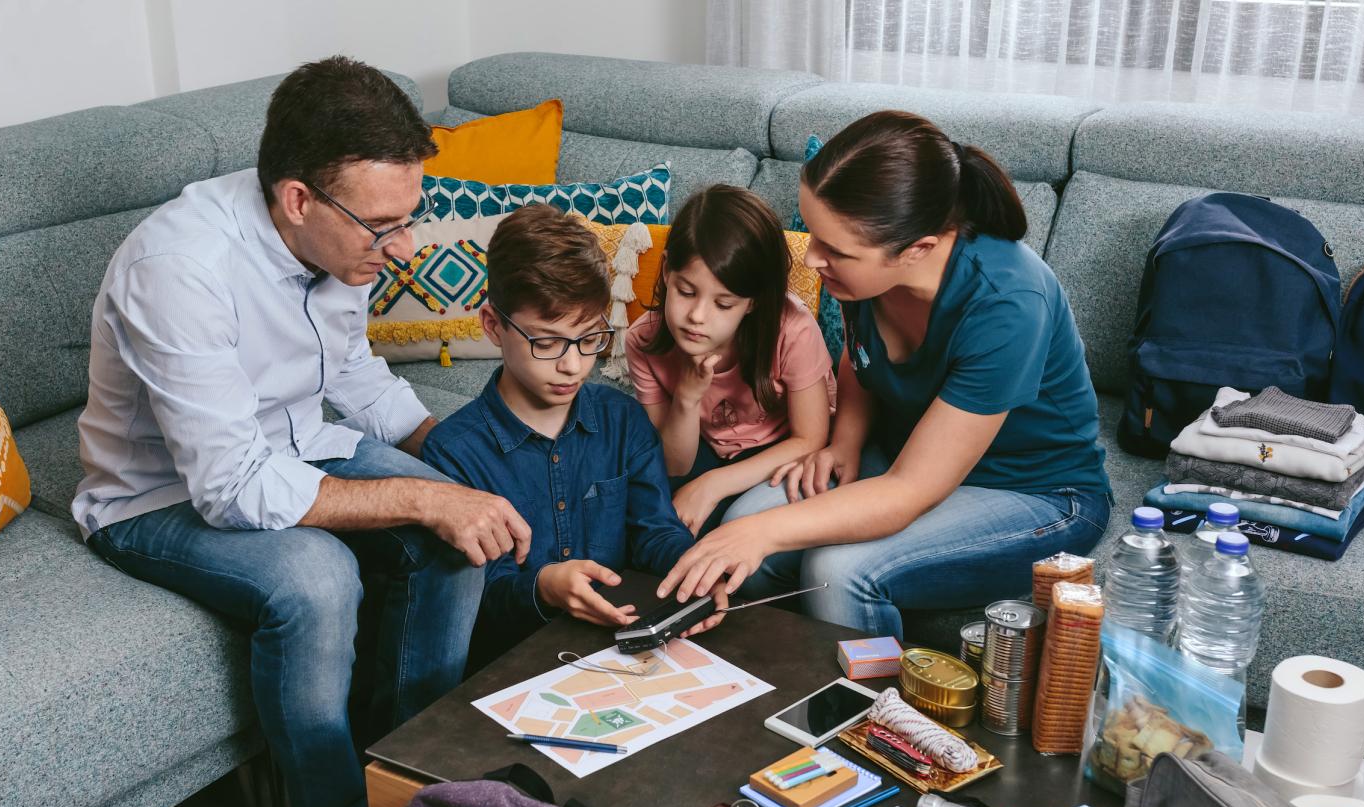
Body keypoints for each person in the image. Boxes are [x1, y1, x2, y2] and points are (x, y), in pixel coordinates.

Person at [71, 57, 530, 807]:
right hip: (156, 498)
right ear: (297, 200)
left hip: (295, 444)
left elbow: (351, 372)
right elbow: (231, 485)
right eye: (383, 226)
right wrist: (427, 500)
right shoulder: (179, 269)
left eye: (409, 218)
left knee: (458, 534)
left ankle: (408, 788)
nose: (402, 247)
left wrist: (461, 469)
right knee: (319, 579)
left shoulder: (340, 243)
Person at [658, 110, 1111, 639]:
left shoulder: (1008, 303)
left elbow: (909, 490)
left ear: (917, 249)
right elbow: (860, 358)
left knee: (837, 572)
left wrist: (763, 533)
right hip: (903, 456)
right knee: (742, 522)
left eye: (834, 250)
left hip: (1038, 494)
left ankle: (866, 695)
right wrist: (845, 441)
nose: (813, 261)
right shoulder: (860, 276)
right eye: (815, 237)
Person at [422, 204, 726, 666]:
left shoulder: (623, 420)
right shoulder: (451, 453)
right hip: (509, 666)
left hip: (617, 652)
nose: (573, 365)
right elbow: (469, 602)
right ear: (493, 326)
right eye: (546, 343)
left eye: (588, 339)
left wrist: (696, 570)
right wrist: (543, 587)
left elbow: (655, 531)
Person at [625, 185, 834, 534]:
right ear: (666, 272)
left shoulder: (792, 329)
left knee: (727, 528)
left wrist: (712, 486)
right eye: (686, 291)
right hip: (698, 448)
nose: (697, 316)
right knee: (645, 518)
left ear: (752, 302)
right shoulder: (642, 340)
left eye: (723, 304)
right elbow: (674, 466)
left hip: (779, 449)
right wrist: (687, 398)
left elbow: (811, 439)